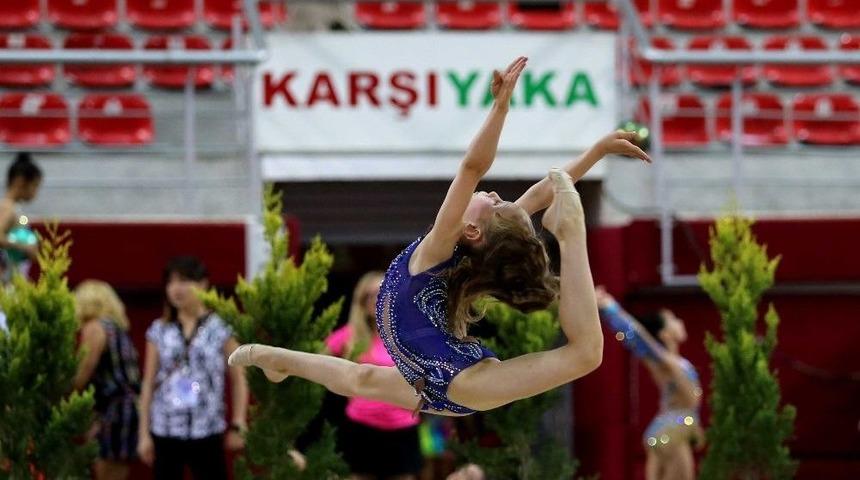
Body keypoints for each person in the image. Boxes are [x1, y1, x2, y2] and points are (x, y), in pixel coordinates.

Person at [227, 56, 650, 416]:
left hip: (457, 379)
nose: (496, 194)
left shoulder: (442, 245)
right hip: (435, 375)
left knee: (586, 355)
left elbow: (472, 169)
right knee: (360, 377)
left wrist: (500, 108)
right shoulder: (461, 250)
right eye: (501, 200)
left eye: (496, 203)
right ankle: (274, 359)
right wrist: (596, 152)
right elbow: (540, 191)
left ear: (472, 228)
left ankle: (571, 234)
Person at [137, 256, 249, 480]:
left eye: (183, 281)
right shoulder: (159, 330)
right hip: (166, 427)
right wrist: (144, 434)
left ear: (203, 284)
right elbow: (148, 382)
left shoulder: (221, 327)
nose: (176, 289)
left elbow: (239, 378)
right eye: (171, 282)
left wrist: (238, 421)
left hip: (207, 426)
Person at [595, 287, 703, 480]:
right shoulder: (663, 361)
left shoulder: (672, 362)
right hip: (671, 429)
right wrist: (610, 308)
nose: (680, 322)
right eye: (673, 320)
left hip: (669, 429)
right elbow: (637, 336)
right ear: (664, 334)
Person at [325, 271, 423, 480]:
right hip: (361, 426)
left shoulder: (407, 334)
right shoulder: (351, 335)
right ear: (362, 302)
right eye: (371, 295)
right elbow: (320, 359)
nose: (377, 299)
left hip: (402, 425)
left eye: (382, 292)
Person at [73, 280, 141, 480]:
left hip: (114, 411)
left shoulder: (95, 328)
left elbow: (81, 375)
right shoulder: (116, 328)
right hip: (128, 409)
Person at [0, 152, 42, 282]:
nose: (36, 192)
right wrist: (25, 247)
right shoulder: (9, 208)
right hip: (7, 282)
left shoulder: (16, 210)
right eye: (35, 186)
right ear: (20, 181)